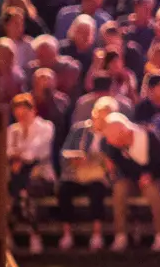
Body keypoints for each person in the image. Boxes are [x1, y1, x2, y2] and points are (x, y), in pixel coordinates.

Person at [57, 94, 119, 251]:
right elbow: (64, 152)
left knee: (97, 189)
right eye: (100, 115)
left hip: (99, 176)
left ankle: (97, 234)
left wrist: (104, 161)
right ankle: (67, 234)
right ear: (94, 113)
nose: (102, 121)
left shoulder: (113, 133)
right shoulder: (79, 130)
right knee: (64, 189)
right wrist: (75, 158)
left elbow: (116, 160)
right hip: (78, 174)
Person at [101, 114, 160, 252]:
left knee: (152, 190)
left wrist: (150, 174)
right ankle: (120, 236)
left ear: (123, 133)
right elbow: (122, 171)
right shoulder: (112, 147)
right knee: (119, 188)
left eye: (113, 138)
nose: (109, 142)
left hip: (158, 178)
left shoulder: (149, 137)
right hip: (133, 180)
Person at [7, 93, 57, 254]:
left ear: (33, 111)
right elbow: (8, 151)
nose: (21, 118)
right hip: (18, 175)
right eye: (18, 114)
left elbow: (36, 151)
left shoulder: (45, 127)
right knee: (12, 192)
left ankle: (34, 235)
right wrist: (20, 155)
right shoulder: (13, 130)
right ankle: (9, 234)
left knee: (24, 191)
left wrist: (19, 156)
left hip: (40, 175)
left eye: (24, 113)